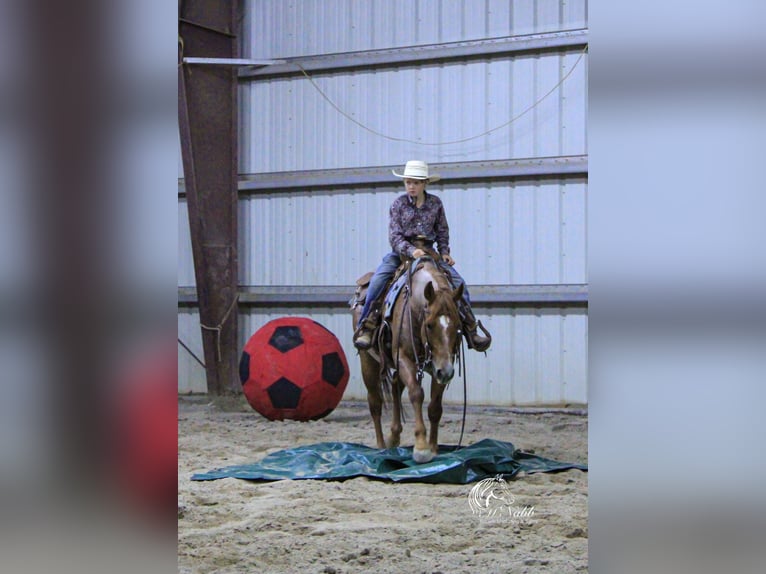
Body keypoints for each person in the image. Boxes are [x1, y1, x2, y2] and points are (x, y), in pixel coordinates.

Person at [353, 160, 491, 352]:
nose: (411, 186)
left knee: (460, 285)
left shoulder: (435, 204)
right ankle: (367, 326)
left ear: (424, 183)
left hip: (429, 253)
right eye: (408, 182)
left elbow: (442, 230)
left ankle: (471, 328)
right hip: (401, 254)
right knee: (378, 281)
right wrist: (411, 251)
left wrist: (444, 252)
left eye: (416, 182)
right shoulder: (398, 205)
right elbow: (394, 236)